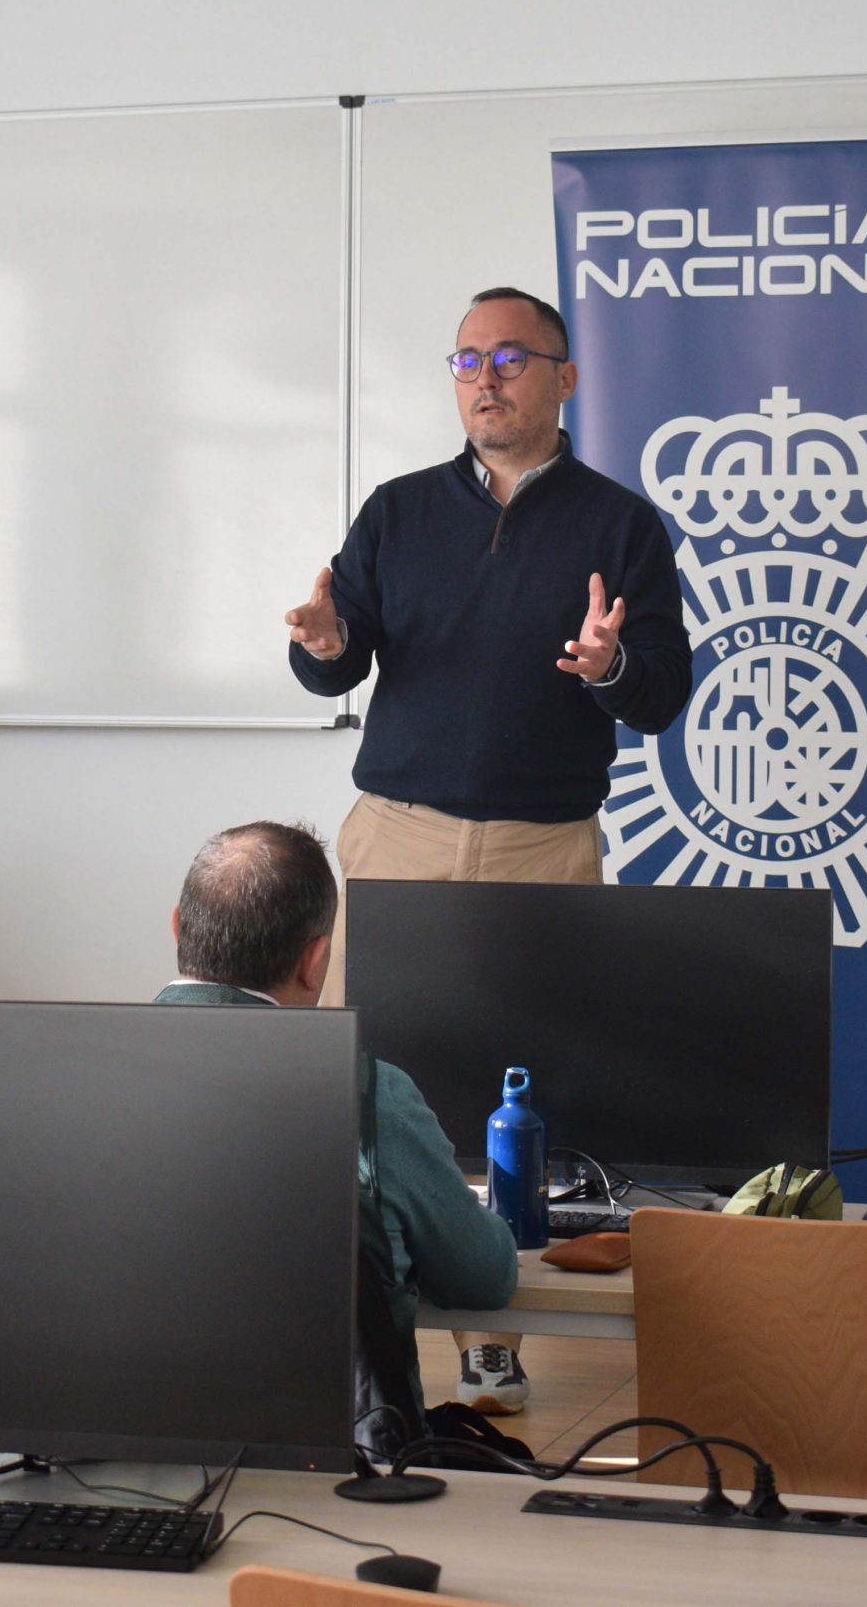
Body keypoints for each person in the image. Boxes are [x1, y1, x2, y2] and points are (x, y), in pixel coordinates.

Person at [284, 286, 695, 1413]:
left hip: (541, 850)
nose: (485, 378)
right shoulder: (399, 509)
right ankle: (334, 1331)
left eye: (510, 358)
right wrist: (323, 647)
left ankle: (490, 1337)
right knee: (351, 1088)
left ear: (566, 378)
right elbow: (337, 654)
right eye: (467, 359)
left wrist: (612, 667)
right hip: (397, 837)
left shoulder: (620, 524)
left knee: (514, 1108)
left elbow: (663, 695)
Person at [154, 821, 518, 1424]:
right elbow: (482, 1278)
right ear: (315, 959)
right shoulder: (371, 1094)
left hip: (118, 1450)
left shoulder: (71, 1079)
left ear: (175, 927)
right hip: (336, 1459)